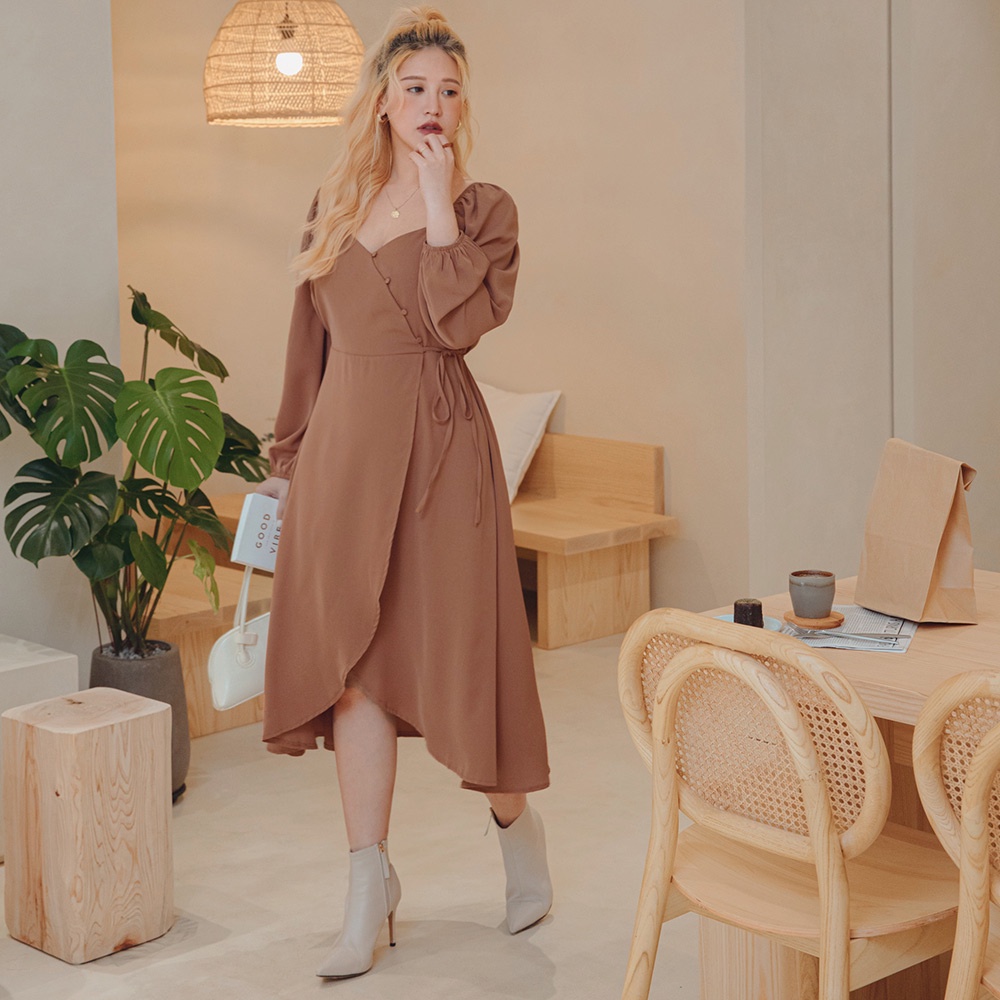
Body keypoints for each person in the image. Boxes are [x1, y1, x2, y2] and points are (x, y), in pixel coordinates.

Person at [254, 6, 552, 980]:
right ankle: (366, 890)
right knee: (354, 671)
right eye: (416, 87)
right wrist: (288, 457)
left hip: (442, 458)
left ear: (464, 106)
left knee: (463, 664)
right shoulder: (333, 203)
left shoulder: (484, 210)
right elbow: (308, 344)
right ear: (383, 100)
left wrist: (435, 202)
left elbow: (456, 326)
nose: (433, 105)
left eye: (450, 91)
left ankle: (515, 827)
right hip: (345, 457)